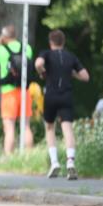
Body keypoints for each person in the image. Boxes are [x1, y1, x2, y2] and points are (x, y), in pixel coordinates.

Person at [35, 29, 90, 180]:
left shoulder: (46, 53)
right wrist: (72, 73)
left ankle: (54, 162)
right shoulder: (71, 56)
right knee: (68, 129)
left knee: (50, 127)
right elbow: (86, 77)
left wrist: (42, 72)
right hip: (66, 96)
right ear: (63, 42)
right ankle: (70, 162)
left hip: (51, 96)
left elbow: (38, 63)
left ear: (50, 42)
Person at [0, 24, 34, 154]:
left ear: (4, 36)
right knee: (26, 126)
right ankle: (29, 157)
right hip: (25, 91)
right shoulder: (26, 48)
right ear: (15, 35)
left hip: (8, 92)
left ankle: (9, 159)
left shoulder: (1, 50)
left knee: (9, 127)